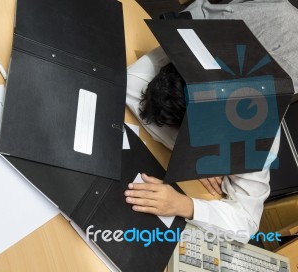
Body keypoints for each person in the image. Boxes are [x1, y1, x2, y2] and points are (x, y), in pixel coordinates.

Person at [124, 0, 298, 242]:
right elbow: (131, 84)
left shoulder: (260, 137)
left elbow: (246, 224)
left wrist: (184, 205)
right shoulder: (185, 56)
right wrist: (198, 159)